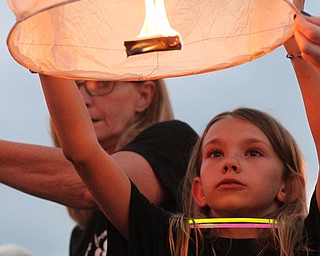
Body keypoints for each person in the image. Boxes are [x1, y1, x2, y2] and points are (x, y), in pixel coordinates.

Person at [38, 10, 320, 256]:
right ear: (199, 191)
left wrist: (297, 45)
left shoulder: (307, 243)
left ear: (290, 187)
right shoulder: (169, 241)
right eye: (215, 153)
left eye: (254, 152)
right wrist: (44, 48)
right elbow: (83, 152)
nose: (230, 163)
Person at [0, 79, 198, 256]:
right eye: (74, 85)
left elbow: (93, 183)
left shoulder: (174, 142)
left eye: (102, 84)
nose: (83, 98)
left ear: (144, 96)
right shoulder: (80, 235)